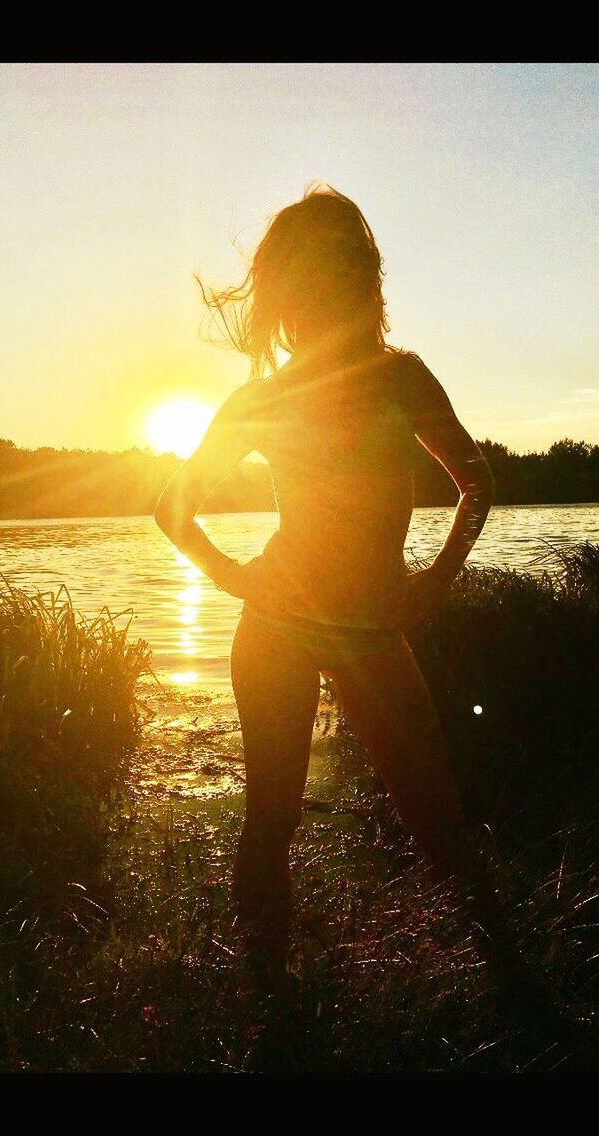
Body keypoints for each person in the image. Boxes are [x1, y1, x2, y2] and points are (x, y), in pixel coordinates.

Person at [154, 185, 574, 1027]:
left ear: (356, 280)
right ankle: (266, 1002)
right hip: (279, 625)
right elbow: (172, 508)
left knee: (432, 811)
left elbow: (477, 480)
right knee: (272, 816)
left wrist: (438, 578)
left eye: (332, 274)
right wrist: (243, 581)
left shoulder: (398, 376)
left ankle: (513, 990)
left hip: (366, 626)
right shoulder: (269, 397)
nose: (316, 297)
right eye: (304, 281)